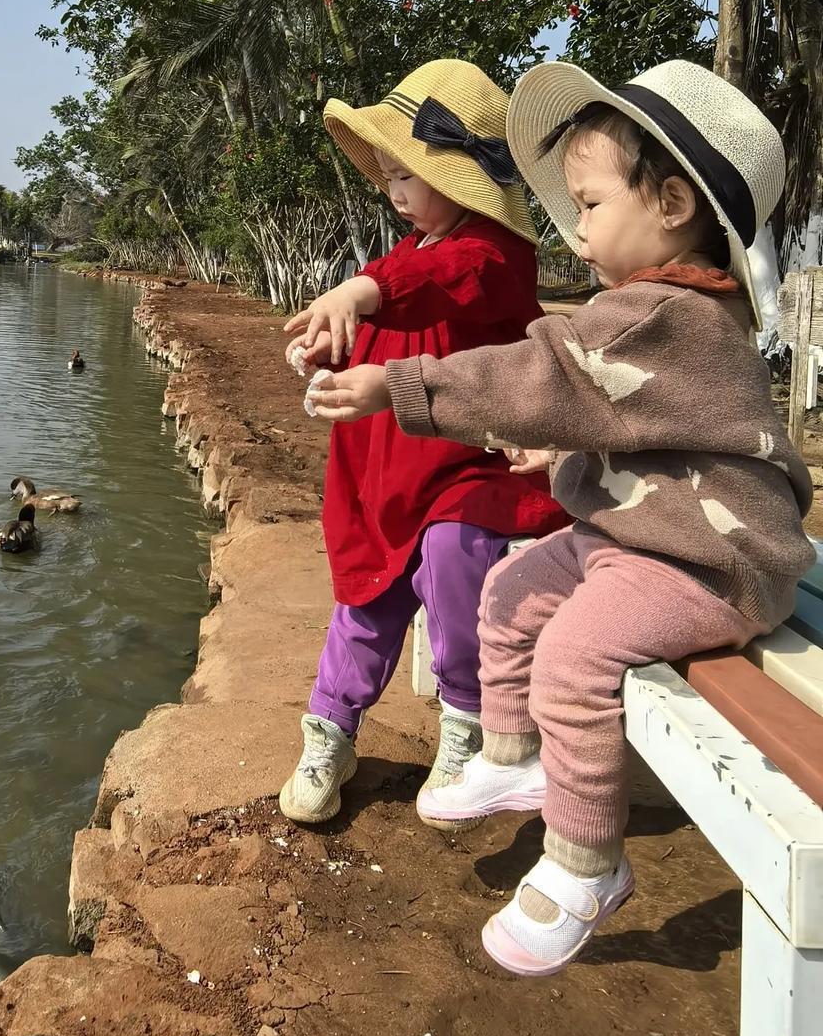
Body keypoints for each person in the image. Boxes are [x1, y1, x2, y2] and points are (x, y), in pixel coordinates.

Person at [308, 58, 814, 976]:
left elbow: (548, 370)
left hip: (715, 560)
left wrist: (399, 386)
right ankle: (509, 752)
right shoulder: (667, 309)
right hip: (653, 534)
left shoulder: (660, 316)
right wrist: (566, 453)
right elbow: (638, 425)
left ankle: (587, 860)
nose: (575, 229)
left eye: (587, 203)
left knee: (576, 652)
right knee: (510, 586)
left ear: (668, 203)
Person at [278, 59, 566, 827]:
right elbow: (377, 314)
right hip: (383, 468)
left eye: (407, 172)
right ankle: (330, 729)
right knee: (365, 598)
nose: (392, 188)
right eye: (389, 175)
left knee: (452, 555)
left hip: (471, 465)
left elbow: (444, 283)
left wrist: (360, 290)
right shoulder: (404, 255)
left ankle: (469, 721)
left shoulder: (497, 257)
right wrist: (322, 347)